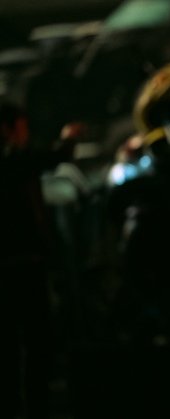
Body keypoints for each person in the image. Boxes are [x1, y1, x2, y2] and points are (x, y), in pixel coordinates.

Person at [0, 100, 77, 419]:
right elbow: (47, 158)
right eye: (23, 128)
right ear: (10, 129)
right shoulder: (12, 161)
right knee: (35, 342)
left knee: (9, 346)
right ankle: (34, 408)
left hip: (15, 266)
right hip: (22, 265)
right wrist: (68, 141)